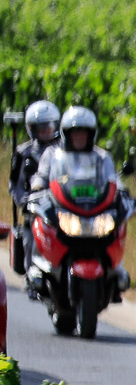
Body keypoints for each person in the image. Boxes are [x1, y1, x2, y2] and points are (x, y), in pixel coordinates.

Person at [28, 106, 134, 298]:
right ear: (66, 134)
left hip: (94, 210)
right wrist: (36, 188)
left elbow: (113, 180)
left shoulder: (102, 157)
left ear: (91, 134)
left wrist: (123, 190)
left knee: (117, 224)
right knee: (40, 220)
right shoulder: (52, 154)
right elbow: (41, 176)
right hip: (65, 209)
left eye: (83, 132)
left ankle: (115, 271)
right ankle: (41, 266)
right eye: (75, 132)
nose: (79, 137)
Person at [8, 100, 61, 275]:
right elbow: (14, 186)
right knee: (31, 235)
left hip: (61, 204)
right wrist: (25, 202)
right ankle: (32, 274)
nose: (46, 131)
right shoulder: (23, 153)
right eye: (42, 127)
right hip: (35, 206)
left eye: (50, 126)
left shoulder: (64, 151)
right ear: (31, 129)